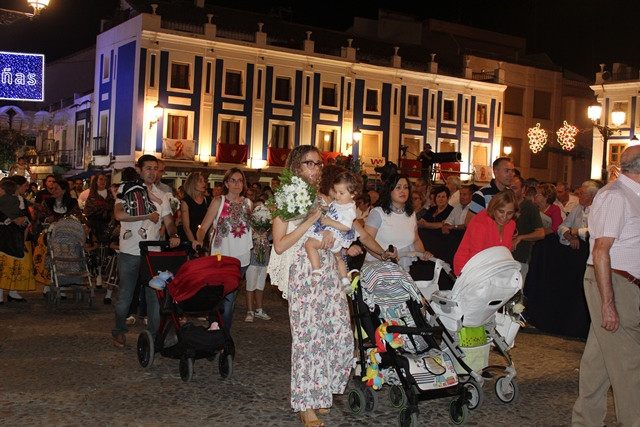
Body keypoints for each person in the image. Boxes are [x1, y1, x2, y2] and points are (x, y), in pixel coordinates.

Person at [267, 145, 352, 427]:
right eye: (309, 163)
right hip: (303, 273)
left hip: (327, 270)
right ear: (295, 166)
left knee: (338, 333)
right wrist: (310, 221)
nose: (315, 169)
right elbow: (279, 245)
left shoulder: (324, 198)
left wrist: (329, 232)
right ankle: (306, 403)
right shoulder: (284, 198)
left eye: (318, 163)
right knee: (308, 340)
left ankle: (320, 391)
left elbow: (337, 228)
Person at [571, 145, 640, 426]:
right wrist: (607, 302)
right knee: (628, 364)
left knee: (598, 364)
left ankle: (586, 422)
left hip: (622, 282)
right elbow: (601, 251)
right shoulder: (616, 196)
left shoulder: (631, 196)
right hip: (614, 281)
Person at [111, 155, 181, 348]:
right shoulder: (126, 189)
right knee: (125, 295)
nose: (152, 172)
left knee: (154, 296)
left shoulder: (162, 196)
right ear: (139, 170)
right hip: (129, 251)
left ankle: (154, 336)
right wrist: (147, 216)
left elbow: (169, 221)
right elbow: (119, 214)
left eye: (155, 169)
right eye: (148, 168)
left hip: (153, 253)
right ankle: (118, 331)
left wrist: (174, 234)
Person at [194, 168, 252, 331]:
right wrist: (198, 239)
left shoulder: (248, 203)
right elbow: (203, 226)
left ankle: (217, 330)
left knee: (229, 298)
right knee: (225, 298)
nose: (237, 184)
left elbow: (248, 229)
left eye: (240, 180)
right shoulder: (219, 201)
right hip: (222, 258)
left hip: (242, 259)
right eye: (233, 180)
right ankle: (220, 335)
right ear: (226, 183)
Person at [364, 173, 433, 270]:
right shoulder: (377, 213)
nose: (403, 191)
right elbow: (367, 242)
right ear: (390, 190)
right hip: (377, 269)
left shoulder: (411, 214)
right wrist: (383, 257)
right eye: (398, 187)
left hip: (402, 270)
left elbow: (416, 240)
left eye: (406, 187)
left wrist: (423, 253)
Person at [305, 171, 359, 293]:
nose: (337, 196)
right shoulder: (340, 203)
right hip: (335, 239)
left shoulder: (349, 208)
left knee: (309, 244)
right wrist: (323, 208)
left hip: (335, 235)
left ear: (353, 194)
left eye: (341, 193)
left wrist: (329, 223)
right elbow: (332, 209)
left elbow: (346, 226)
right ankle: (345, 279)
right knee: (339, 258)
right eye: (335, 192)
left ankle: (316, 269)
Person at [453, 189, 519, 276]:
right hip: (468, 267)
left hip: (492, 269)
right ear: (493, 208)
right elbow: (476, 257)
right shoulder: (480, 223)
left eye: (509, 213)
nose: (504, 217)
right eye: (501, 211)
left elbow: (506, 253)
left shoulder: (511, 224)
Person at [0, 178, 31, 303]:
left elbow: (26, 214)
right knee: (2, 266)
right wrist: (11, 219)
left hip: (16, 235)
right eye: (24, 186)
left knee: (14, 266)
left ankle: (13, 292)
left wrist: (23, 219)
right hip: (3, 235)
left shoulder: (21, 200)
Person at [509, 176, 544, 282]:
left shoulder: (529, 208)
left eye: (514, 188)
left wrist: (521, 237)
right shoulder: (505, 205)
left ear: (523, 189)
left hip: (520, 257)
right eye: (509, 189)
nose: (511, 192)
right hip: (504, 256)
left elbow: (540, 233)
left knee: (516, 291)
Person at [244, 199, 272, 323]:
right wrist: (254, 235)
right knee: (251, 284)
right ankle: (250, 310)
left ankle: (259, 309)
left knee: (261, 284)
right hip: (252, 257)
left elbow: (272, 238)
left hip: (264, 257)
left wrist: (266, 234)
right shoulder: (248, 226)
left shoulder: (268, 226)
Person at [466, 157, 514, 223]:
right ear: (496, 172)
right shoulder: (482, 195)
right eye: (507, 171)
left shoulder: (511, 194)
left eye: (512, 171)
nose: (511, 174)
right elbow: (469, 223)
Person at [558, 180, 602, 249]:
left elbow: (597, 230)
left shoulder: (599, 210)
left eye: (582, 193)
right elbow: (562, 226)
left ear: (591, 195)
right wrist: (570, 236)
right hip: (575, 246)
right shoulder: (577, 208)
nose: (578, 195)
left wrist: (576, 232)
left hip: (593, 247)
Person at [180, 171, 210, 247]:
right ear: (193, 184)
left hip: (205, 236)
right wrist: (194, 243)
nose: (204, 184)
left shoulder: (208, 200)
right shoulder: (186, 202)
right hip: (190, 237)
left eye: (204, 181)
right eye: (200, 181)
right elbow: (186, 227)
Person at [83, 173, 114, 243]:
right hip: (95, 226)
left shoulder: (111, 194)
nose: (103, 182)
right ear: (96, 181)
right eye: (101, 179)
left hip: (109, 225)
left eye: (105, 180)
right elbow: (87, 211)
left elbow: (113, 208)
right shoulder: (92, 195)